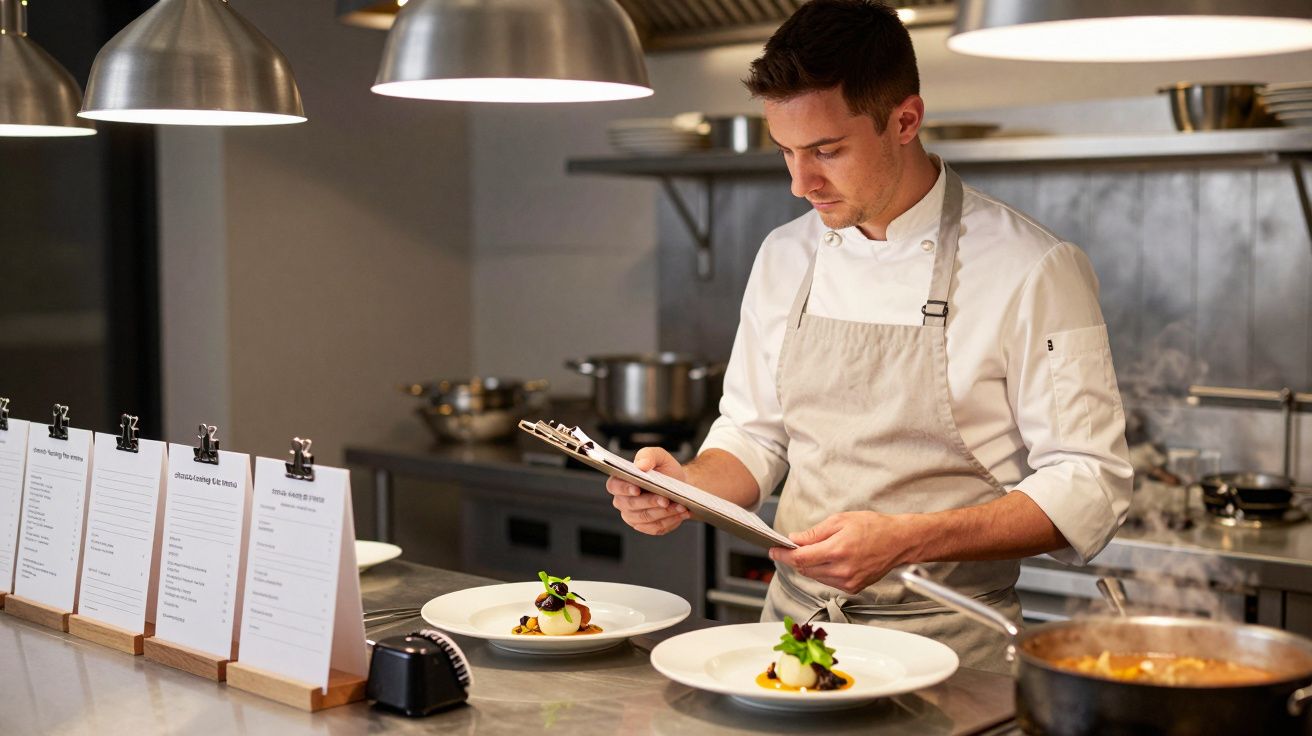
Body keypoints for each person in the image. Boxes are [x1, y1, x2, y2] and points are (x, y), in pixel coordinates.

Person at [605, 0, 1132, 673]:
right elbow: (755, 435)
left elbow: (1092, 484)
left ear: (905, 120)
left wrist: (909, 540)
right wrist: (687, 485)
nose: (801, 184)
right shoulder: (784, 256)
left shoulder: (1033, 268)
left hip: (951, 649)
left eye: (826, 151)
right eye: (787, 153)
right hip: (794, 638)